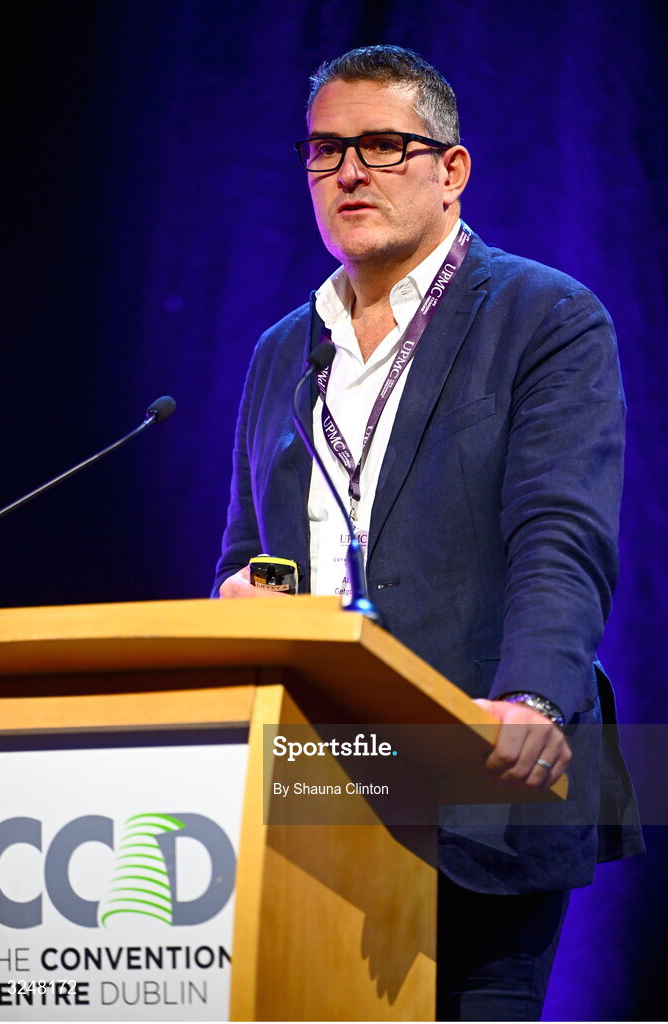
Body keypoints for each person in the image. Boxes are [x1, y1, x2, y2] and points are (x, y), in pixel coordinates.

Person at [213, 45, 642, 1021]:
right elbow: (247, 549)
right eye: (326, 150)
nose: (349, 171)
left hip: (480, 774)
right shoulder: (286, 348)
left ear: (451, 170)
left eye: (381, 144)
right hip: (310, 788)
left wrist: (534, 695)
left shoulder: (545, 317)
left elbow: (560, 531)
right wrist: (240, 601)